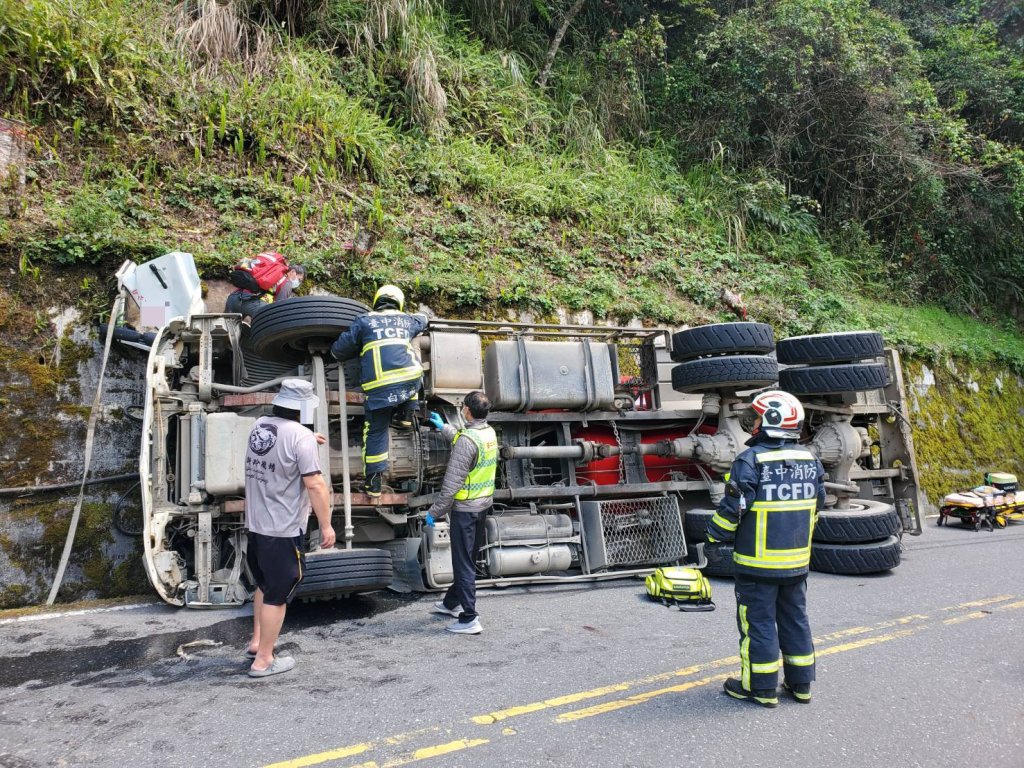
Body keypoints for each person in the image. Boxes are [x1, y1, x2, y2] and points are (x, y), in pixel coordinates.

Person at [706, 389, 825, 707]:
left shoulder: (750, 460)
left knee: (757, 623)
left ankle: (759, 688)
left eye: (757, 417)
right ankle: (801, 685)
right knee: (795, 619)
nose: (753, 423)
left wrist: (714, 537)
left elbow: (734, 509)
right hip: (797, 563)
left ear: (769, 422)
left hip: (757, 565)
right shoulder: (810, 459)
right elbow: (818, 505)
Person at [244, 378, 335, 678]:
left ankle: (257, 642)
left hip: (256, 526)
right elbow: (315, 485)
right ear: (303, 408)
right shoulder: (301, 437)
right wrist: (326, 525)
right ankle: (265, 661)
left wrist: (309, 439)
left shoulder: (260, 426)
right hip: (282, 529)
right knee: (278, 594)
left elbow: (283, 446)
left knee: (263, 584)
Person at [330, 284, 428, 497]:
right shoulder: (406, 320)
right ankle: (407, 414)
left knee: (375, 431)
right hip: (409, 380)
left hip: (379, 389)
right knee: (414, 374)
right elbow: (423, 320)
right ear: (399, 303)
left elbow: (339, 351)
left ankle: (374, 484)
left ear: (376, 301)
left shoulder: (364, 321)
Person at [425, 391, 497, 635]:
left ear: (467, 410)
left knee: (463, 563)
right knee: (468, 558)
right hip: (482, 506)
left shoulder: (468, 440)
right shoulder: (487, 433)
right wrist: (444, 428)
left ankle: (469, 618)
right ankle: (450, 604)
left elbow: (451, 484)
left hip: (465, 511)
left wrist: (434, 512)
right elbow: (463, 440)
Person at [225, 260, 305, 319]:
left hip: (234, 298)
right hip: (254, 304)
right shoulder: (287, 283)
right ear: (293, 272)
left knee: (225, 331)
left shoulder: (271, 272)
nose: (299, 283)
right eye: (299, 279)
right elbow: (280, 307)